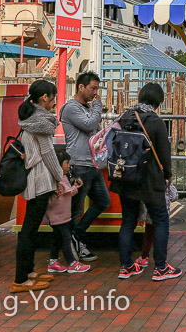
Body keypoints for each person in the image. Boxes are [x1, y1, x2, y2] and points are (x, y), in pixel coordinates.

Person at [110, 83, 181, 281]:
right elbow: (164, 153)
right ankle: (161, 267)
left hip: (126, 177)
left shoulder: (125, 117)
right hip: (149, 179)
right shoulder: (155, 121)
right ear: (158, 101)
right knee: (160, 221)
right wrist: (168, 174)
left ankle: (125, 266)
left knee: (128, 222)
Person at [12, 80, 61, 293]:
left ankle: (29, 271)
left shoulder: (31, 119)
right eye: (53, 98)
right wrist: (60, 178)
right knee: (29, 230)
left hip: (35, 178)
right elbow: (48, 154)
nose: (53, 102)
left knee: (29, 229)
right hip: (39, 179)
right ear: (44, 98)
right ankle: (21, 279)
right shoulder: (40, 121)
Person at [61, 71, 108, 262]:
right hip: (79, 164)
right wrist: (97, 106)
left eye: (97, 89)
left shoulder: (87, 108)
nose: (95, 93)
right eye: (93, 88)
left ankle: (77, 235)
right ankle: (72, 250)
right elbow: (89, 126)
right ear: (81, 87)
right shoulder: (71, 108)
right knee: (76, 210)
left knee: (103, 201)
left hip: (92, 163)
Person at [45, 148, 90, 274]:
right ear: (58, 165)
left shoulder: (62, 177)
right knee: (66, 238)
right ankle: (71, 263)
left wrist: (75, 188)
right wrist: (55, 194)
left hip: (62, 216)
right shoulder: (55, 180)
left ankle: (53, 262)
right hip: (57, 217)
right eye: (66, 163)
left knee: (57, 239)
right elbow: (52, 199)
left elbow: (67, 193)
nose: (69, 166)